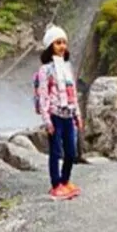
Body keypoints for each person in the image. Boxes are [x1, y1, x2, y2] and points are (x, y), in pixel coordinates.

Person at [34, 25, 83, 199]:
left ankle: (65, 180)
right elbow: (43, 95)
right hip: (54, 114)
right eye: (58, 43)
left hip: (68, 114)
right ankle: (55, 185)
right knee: (55, 152)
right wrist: (47, 120)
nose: (62, 46)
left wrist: (77, 114)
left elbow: (73, 92)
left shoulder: (67, 67)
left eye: (64, 43)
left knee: (71, 151)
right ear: (50, 46)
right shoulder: (45, 70)